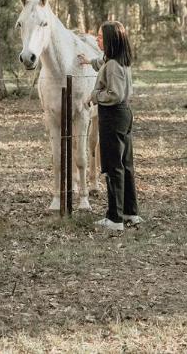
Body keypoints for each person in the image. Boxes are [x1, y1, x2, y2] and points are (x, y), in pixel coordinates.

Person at [78, 20, 141, 233]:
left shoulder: (113, 66)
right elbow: (101, 63)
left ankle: (114, 218)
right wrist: (88, 62)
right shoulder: (118, 60)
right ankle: (131, 212)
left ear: (111, 40)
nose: (97, 39)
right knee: (126, 165)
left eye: (101, 37)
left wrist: (93, 96)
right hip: (124, 116)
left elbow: (114, 94)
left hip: (113, 116)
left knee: (113, 167)